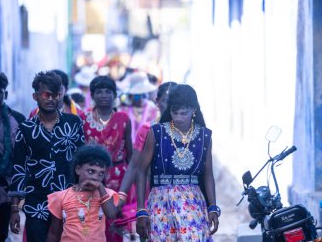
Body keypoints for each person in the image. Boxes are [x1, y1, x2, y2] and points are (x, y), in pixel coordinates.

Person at [136, 84, 220, 241]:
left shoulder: (204, 136)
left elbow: (208, 174)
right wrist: (141, 209)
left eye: (184, 113)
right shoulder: (157, 132)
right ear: (169, 110)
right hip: (160, 203)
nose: (179, 118)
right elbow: (141, 171)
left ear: (194, 110)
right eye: (175, 113)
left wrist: (213, 207)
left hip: (193, 202)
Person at [9, 71, 85, 242]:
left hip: (69, 200)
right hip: (37, 203)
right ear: (35, 96)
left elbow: (82, 161)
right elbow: (19, 168)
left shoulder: (74, 123)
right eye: (46, 94)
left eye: (55, 94)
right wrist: (14, 209)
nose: (51, 99)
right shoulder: (26, 128)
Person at [112, 82, 178, 237]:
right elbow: (135, 165)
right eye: (164, 101)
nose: (168, 106)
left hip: (185, 196)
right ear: (157, 102)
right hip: (153, 193)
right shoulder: (148, 129)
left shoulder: (189, 130)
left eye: (172, 101)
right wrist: (122, 195)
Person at [79, 76, 132, 241]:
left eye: (108, 91)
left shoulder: (123, 119)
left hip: (118, 178)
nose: (104, 95)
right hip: (91, 178)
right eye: (99, 92)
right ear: (92, 96)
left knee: (115, 223)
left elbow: (130, 155)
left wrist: (128, 187)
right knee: (91, 222)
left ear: (115, 95)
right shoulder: (82, 119)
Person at [46, 144, 118, 242]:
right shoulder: (61, 196)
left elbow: (111, 215)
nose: (95, 177)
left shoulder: (106, 194)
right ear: (78, 169)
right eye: (91, 171)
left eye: (101, 174)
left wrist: (101, 187)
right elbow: (54, 233)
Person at [0, 73, 25, 242]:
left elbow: (21, 160)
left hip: (5, 188)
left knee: (0, 233)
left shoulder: (18, 120)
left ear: (5, 94)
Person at [118, 72, 158, 144]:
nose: (141, 98)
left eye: (143, 95)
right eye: (137, 96)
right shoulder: (123, 111)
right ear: (131, 96)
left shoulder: (154, 111)